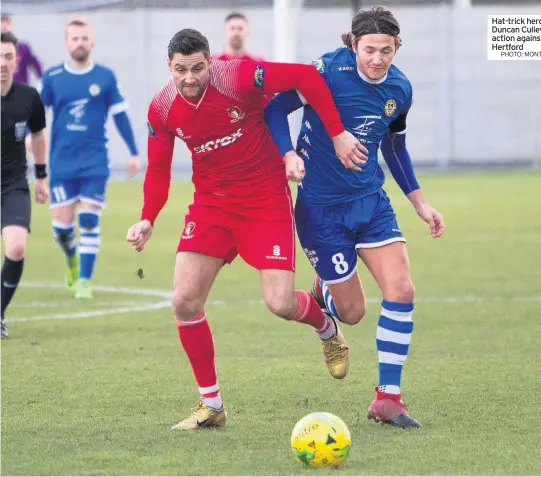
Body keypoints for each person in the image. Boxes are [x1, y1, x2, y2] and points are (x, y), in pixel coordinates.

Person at [126, 28, 367, 430]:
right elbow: (159, 169)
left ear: (210, 61)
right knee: (184, 301)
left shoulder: (239, 76)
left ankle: (326, 328)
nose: (190, 78)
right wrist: (148, 217)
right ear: (169, 66)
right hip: (212, 204)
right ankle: (212, 406)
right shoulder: (162, 108)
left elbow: (306, 77)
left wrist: (337, 131)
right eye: (181, 70)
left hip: (264, 198)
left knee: (280, 304)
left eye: (198, 68)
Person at [264, 5, 446, 428]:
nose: (377, 59)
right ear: (353, 44)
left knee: (401, 289)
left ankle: (388, 397)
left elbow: (394, 148)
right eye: (369, 50)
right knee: (353, 312)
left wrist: (420, 203)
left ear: (397, 47)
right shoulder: (327, 70)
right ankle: (325, 295)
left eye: (386, 50)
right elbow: (274, 108)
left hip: (370, 202)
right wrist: (289, 153)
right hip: (321, 209)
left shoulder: (400, 89)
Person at [41, 19, 140, 299]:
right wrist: (30, 138)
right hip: (61, 162)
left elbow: (120, 115)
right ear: (66, 43)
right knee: (61, 228)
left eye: (84, 38)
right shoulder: (52, 77)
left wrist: (133, 151)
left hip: (95, 161)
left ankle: (84, 281)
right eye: (74, 38)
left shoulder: (105, 77)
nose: (80, 42)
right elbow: (37, 112)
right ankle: (71, 260)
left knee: (87, 220)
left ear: (92, 42)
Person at [1, 32, 48, 339]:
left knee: (16, 248)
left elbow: (39, 136)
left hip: (13, 184)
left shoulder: (29, 97)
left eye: (8, 57)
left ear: (17, 61)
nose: (2, 63)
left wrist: (42, 177)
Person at [1, 14, 43, 86]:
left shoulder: (23, 48)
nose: (4, 28)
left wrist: (41, 81)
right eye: (2, 25)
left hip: (20, 90)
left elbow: (35, 64)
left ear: (11, 25)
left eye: (7, 24)